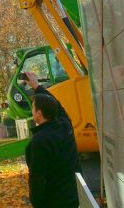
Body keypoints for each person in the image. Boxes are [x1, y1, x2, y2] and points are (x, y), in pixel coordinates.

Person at [21, 71, 81, 208]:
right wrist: (37, 86)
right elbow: (58, 107)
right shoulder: (66, 127)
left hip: (52, 202)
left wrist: (36, 203)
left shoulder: (39, 142)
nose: (32, 111)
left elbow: (37, 179)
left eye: (33, 108)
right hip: (72, 197)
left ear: (39, 113)